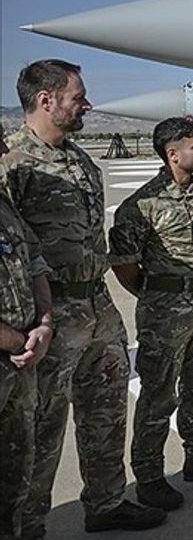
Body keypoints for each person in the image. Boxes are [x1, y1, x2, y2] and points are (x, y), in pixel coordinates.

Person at [1, 60, 166, 536]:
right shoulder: (13, 164)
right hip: (50, 315)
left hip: (97, 305)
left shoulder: (81, 161)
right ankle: (28, 522)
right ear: (46, 100)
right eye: (78, 96)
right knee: (41, 426)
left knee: (107, 410)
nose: (87, 105)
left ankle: (106, 502)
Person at [108, 118, 193, 511]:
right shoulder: (140, 206)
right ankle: (149, 476)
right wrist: (158, 296)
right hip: (164, 314)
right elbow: (125, 265)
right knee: (158, 394)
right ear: (173, 154)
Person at [0, 125, 54, 540]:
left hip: (21, 359)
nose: (4, 147)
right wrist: (19, 340)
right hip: (16, 349)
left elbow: (34, 261)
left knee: (17, 474)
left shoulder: (4, 204)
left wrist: (45, 323)